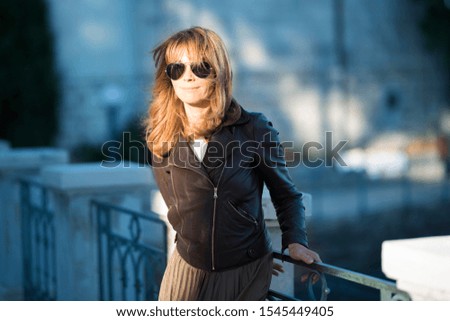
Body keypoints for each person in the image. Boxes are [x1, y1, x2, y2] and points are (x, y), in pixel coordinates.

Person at [144, 26, 321, 301]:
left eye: (200, 67)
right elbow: (178, 207)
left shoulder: (253, 128)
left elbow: (287, 195)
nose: (188, 77)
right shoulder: (162, 134)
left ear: (218, 72)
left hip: (244, 270)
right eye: (176, 69)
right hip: (186, 269)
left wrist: (294, 242)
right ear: (168, 78)